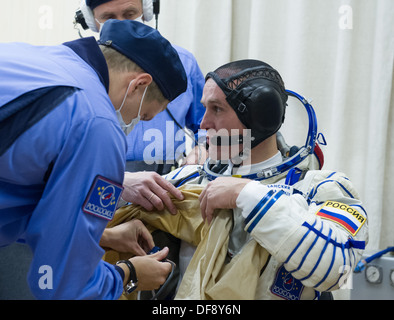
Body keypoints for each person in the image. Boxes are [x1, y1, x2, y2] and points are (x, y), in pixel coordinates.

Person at [106, 59, 369, 300]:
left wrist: (246, 193)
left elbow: (337, 268)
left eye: (217, 109)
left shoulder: (321, 188)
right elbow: (83, 218)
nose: (204, 123)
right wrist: (121, 185)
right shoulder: (190, 178)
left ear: (260, 117)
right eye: (204, 109)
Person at [0, 19, 187, 299]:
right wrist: (129, 274)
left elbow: (14, 186)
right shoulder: (96, 123)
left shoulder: (29, 59)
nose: (133, 123)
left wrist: (102, 237)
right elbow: (60, 284)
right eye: (143, 116)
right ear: (139, 84)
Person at [77, 0, 207, 176]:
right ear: (91, 21)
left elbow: (209, 123)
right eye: (108, 18)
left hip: (166, 178)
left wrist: (204, 148)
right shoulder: (78, 69)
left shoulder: (183, 63)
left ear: (147, 11)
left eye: (130, 14)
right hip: (97, 176)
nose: (120, 24)